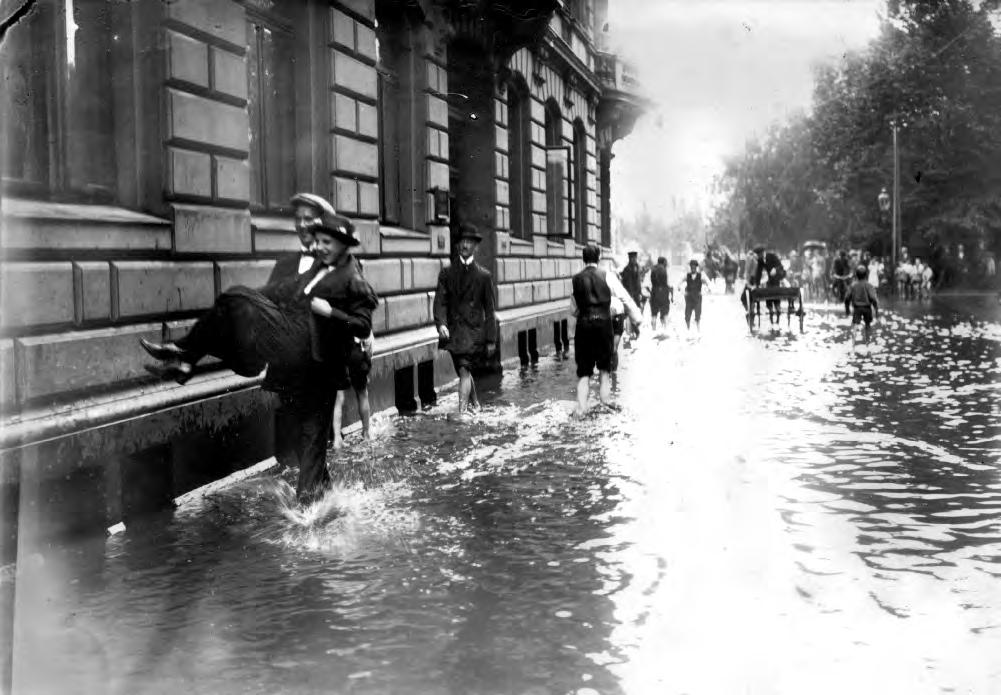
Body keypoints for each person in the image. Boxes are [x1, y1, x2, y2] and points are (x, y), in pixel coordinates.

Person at [140, 210, 379, 503]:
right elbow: (282, 290)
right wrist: (254, 304)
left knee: (312, 444)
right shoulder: (320, 267)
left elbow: (362, 324)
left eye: (326, 242)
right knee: (305, 446)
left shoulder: (352, 278)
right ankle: (187, 356)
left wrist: (330, 312)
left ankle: (310, 522)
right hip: (295, 363)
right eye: (318, 241)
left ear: (343, 244)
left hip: (318, 370)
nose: (319, 247)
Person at [266, 192, 334, 471]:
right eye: (298, 219)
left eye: (309, 219)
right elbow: (267, 308)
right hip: (288, 371)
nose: (302, 225)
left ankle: (314, 504)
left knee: (313, 445)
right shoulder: (282, 266)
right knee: (289, 442)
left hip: (319, 371)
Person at [433, 224, 498, 420]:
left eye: (469, 242)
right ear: (457, 245)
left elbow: (490, 310)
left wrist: (491, 339)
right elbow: (440, 302)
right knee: (463, 370)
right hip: (452, 332)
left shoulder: (484, 276)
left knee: (463, 369)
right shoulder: (447, 273)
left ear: (475, 247)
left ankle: (462, 413)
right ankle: (475, 403)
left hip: (473, 334)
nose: (465, 245)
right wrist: (441, 324)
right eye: (462, 241)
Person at [570, 244, 620, 416]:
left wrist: (586, 311)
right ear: (599, 258)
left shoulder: (576, 280)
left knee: (584, 372)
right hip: (604, 327)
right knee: (605, 369)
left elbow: (573, 310)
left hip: (584, 327)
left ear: (583, 259)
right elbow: (622, 299)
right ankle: (605, 402)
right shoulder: (608, 276)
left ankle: (582, 408)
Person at [844, 265, 879, 343]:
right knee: (867, 325)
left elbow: (847, 298)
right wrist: (876, 311)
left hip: (857, 308)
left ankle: (853, 343)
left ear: (856, 275)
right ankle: (868, 342)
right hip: (867, 308)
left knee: (855, 325)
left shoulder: (853, 285)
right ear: (866, 275)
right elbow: (873, 299)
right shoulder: (869, 285)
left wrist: (847, 310)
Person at [679, 259, 711, 331]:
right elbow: (679, 283)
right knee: (687, 314)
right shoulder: (687, 275)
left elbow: (708, 284)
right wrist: (682, 291)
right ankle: (688, 329)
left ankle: (698, 329)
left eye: (694, 267)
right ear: (690, 267)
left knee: (698, 313)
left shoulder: (701, 276)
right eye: (691, 267)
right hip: (689, 297)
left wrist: (706, 290)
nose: (693, 268)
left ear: (696, 267)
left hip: (697, 297)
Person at [619, 250, 644, 337]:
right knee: (630, 313)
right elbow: (627, 284)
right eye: (632, 258)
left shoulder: (638, 267)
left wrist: (640, 293)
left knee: (637, 311)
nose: (634, 260)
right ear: (629, 259)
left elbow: (638, 282)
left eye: (635, 258)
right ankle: (633, 331)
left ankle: (635, 330)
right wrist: (630, 296)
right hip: (630, 295)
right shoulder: (627, 269)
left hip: (637, 294)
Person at [648, 256, 673, 331]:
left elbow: (650, 283)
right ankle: (665, 329)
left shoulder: (653, 269)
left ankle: (653, 330)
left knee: (654, 313)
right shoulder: (664, 269)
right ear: (663, 262)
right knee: (665, 312)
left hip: (654, 292)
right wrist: (671, 293)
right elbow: (666, 283)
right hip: (663, 292)